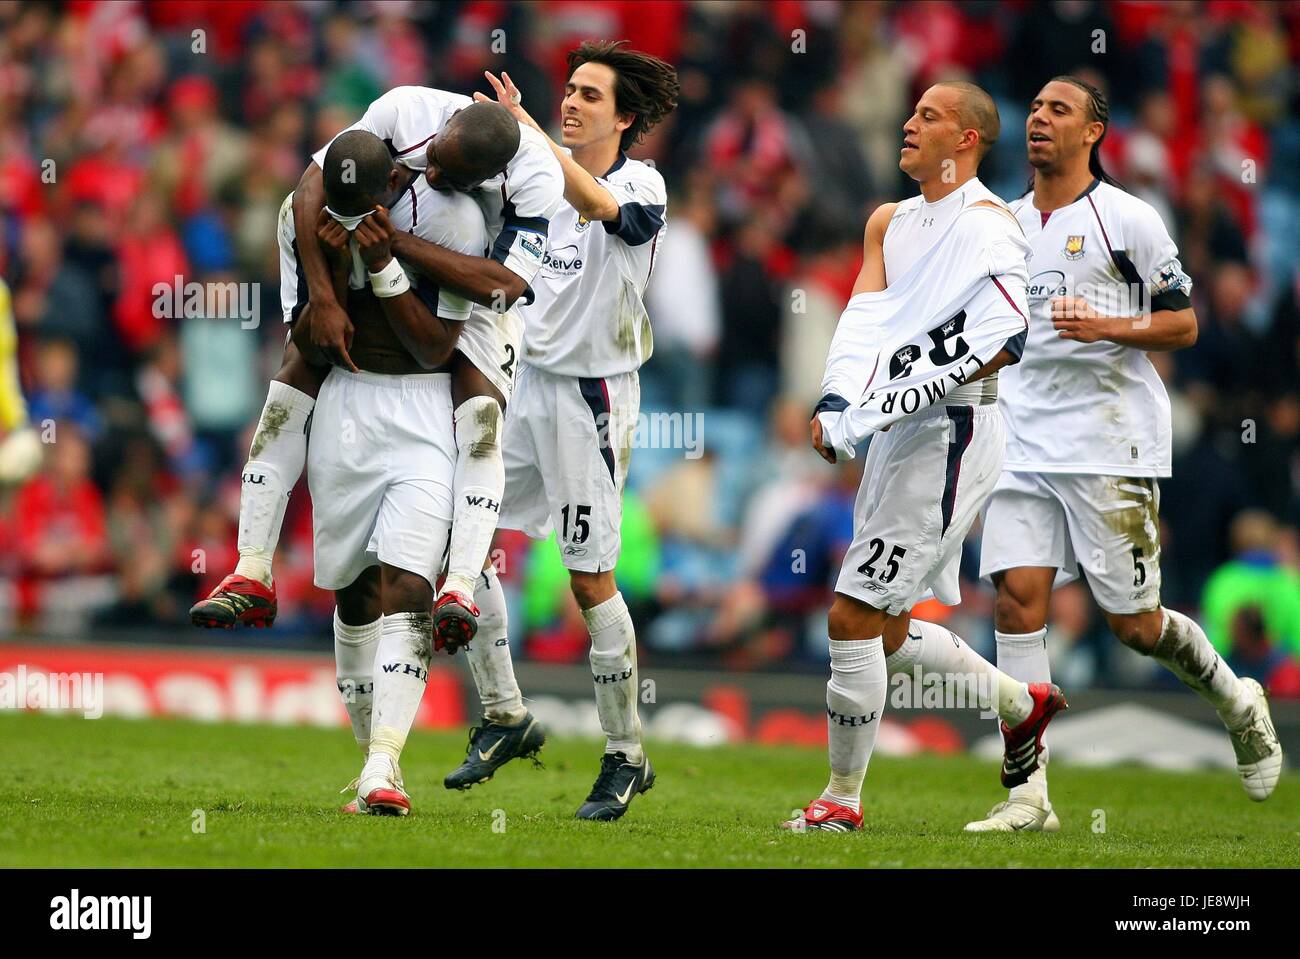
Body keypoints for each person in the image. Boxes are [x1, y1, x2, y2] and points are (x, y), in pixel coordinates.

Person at [969, 76, 1282, 833]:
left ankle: (1238, 700)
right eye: (1035, 108)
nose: (1039, 120)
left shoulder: (1129, 220)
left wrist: (1108, 326)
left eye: (1059, 111)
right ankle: (1028, 797)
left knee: (1134, 626)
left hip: (1108, 438)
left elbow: (1184, 326)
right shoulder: (1002, 223)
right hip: (1021, 439)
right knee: (1016, 601)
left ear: (1094, 133)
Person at [785, 82, 1067, 834]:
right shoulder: (889, 221)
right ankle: (1021, 703)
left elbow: (1003, 342)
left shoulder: (992, 227)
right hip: (897, 437)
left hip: (954, 432)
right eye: (908, 112)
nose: (908, 123)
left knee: (850, 614)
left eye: (929, 117)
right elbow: (863, 320)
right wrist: (837, 400)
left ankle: (841, 800)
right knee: (883, 627)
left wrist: (887, 404)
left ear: (968, 139)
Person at [190, 90, 563, 657]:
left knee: (479, 410)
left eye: (453, 174)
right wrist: (325, 299)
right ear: (445, 124)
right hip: (376, 231)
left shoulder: (536, 177)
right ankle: (253, 569)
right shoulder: (405, 110)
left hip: (477, 269)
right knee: (301, 364)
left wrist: (397, 248)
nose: (433, 171)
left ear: (495, 174)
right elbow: (314, 183)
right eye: (433, 157)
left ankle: (458, 583)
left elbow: (503, 287)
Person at [440, 41, 679, 822]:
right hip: (522, 383)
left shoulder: (641, 182)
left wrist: (528, 128)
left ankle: (625, 754)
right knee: (459, 539)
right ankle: (505, 711)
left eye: (590, 95)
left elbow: (602, 210)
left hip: (592, 396)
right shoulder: (535, 176)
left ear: (625, 116)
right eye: (568, 90)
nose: (573, 103)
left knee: (588, 580)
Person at [291, 129, 488, 815]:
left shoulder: (455, 221)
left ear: (397, 183)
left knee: (409, 578)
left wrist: (384, 267)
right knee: (352, 590)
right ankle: (369, 752)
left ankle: (384, 765)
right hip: (347, 405)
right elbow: (302, 334)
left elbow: (437, 346)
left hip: (423, 412)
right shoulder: (310, 219)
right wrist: (324, 285)